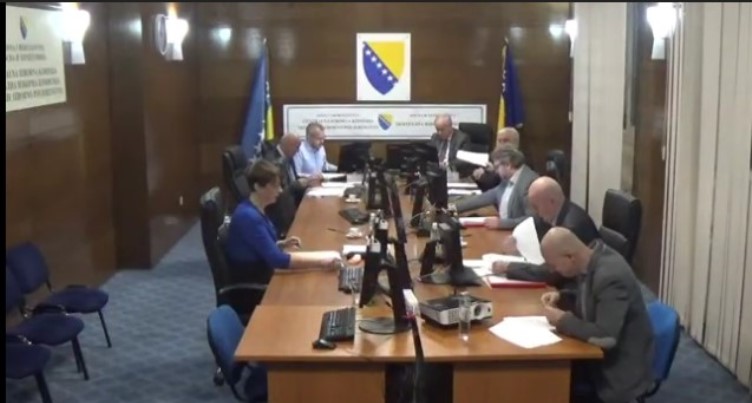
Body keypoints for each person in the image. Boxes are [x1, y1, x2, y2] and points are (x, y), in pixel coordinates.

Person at [539, 227, 654, 403]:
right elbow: (592, 298)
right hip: (598, 358)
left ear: (570, 257)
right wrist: (562, 297)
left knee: (549, 380)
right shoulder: (589, 259)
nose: (553, 271)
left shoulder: (610, 276)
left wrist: (563, 320)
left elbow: (606, 337)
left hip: (618, 371)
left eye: (554, 265)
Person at [224, 159, 342, 286]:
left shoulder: (256, 208)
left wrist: (280, 244)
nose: (280, 190)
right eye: (275, 186)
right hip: (257, 282)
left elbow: (257, 245)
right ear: (258, 187)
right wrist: (321, 260)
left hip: (264, 271)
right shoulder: (249, 217)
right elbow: (278, 260)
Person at [492, 176, 599, 289]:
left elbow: (552, 273)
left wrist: (509, 267)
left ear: (551, 202)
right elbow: (534, 222)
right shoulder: (557, 212)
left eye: (536, 207)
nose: (535, 211)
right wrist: (516, 240)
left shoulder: (572, 227)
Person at [454, 146, 538, 230]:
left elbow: (534, 220)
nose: (496, 171)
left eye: (497, 167)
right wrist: (451, 210)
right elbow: (483, 198)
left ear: (508, 165)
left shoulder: (529, 183)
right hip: (505, 231)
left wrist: (502, 223)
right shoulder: (508, 180)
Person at [263, 133, 322, 236]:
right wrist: (298, 184)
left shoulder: (287, 157)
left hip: (291, 202)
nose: (298, 151)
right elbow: (280, 191)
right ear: (289, 145)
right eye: (297, 147)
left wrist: (307, 181)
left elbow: (292, 179)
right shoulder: (273, 162)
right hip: (280, 209)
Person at [471, 127, 521, 191]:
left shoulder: (518, 161)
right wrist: (478, 175)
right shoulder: (494, 156)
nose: (501, 144)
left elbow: (498, 184)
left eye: (506, 141)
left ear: (516, 143)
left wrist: (484, 176)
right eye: (499, 141)